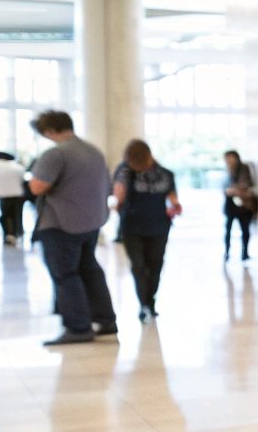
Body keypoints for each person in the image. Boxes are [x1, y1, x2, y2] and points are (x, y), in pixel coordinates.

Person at [27, 111, 118, 346]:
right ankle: (105, 320)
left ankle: (78, 327)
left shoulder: (55, 154)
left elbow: (37, 187)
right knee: (90, 269)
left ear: (48, 131)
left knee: (65, 274)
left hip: (60, 223)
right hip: (91, 221)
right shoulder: (93, 151)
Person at [112, 139, 181, 321]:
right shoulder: (124, 171)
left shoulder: (165, 174)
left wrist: (175, 205)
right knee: (139, 266)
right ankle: (143, 303)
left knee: (155, 264)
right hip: (132, 227)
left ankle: (150, 301)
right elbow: (118, 195)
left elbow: (172, 196)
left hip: (159, 225)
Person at [0, 151, 28, 245]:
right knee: (17, 215)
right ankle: (18, 232)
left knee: (6, 216)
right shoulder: (17, 166)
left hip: (3, 195)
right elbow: (22, 179)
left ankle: (8, 234)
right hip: (18, 194)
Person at [222, 149, 258, 261]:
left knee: (245, 229)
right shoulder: (227, 171)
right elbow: (224, 187)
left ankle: (245, 253)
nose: (228, 161)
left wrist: (235, 190)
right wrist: (231, 190)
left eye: (230, 158)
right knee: (228, 229)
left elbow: (246, 184)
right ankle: (227, 252)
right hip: (230, 204)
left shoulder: (244, 168)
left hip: (243, 205)